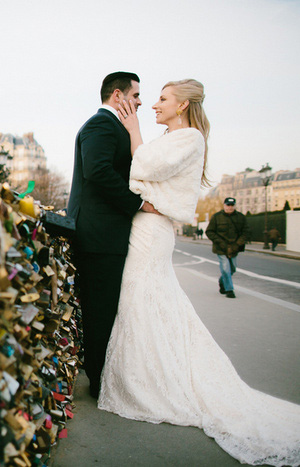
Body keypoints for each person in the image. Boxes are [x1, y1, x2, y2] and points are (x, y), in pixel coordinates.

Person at [98, 79, 300, 466]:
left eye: (162, 99)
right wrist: (141, 175)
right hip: (145, 225)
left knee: (143, 297)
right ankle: (153, 373)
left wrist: (134, 135)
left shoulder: (190, 138)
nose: (154, 105)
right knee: (148, 300)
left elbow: (142, 168)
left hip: (152, 230)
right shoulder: (176, 138)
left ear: (184, 104)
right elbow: (140, 174)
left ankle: (154, 382)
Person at [65, 72, 159, 399]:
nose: (140, 102)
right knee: (99, 310)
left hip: (103, 234)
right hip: (99, 235)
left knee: (103, 307)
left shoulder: (111, 127)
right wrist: (137, 204)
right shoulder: (101, 125)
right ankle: (99, 381)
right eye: (135, 96)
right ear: (118, 96)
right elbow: (98, 171)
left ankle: (101, 375)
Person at [205, 197, 250, 298]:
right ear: (224, 205)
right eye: (228, 205)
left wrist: (237, 244)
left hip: (234, 247)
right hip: (221, 248)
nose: (230, 207)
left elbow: (246, 232)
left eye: (232, 205)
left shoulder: (241, 217)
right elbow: (209, 231)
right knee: (226, 268)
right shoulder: (216, 217)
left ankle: (222, 281)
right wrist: (221, 243)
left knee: (232, 269)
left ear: (234, 206)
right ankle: (229, 290)